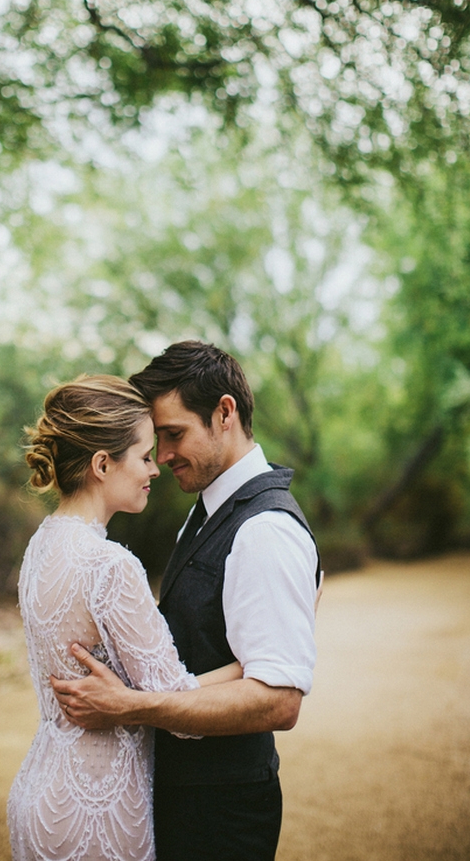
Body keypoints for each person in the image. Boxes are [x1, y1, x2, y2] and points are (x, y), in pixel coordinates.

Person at [51, 342, 321, 861]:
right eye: (157, 440)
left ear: (225, 413)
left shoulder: (265, 530)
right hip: (183, 801)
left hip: (221, 813)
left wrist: (133, 708)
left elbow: (279, 700)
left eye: (174, 434)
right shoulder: (208, 509)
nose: (164, 455)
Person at [7, 374, 242, 861]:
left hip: (39, 791)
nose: (154, 470)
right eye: (144, 456)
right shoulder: (109, 565)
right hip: (98, 805)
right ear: (101, 464)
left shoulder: (42, 545)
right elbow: (178, 709)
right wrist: (253, 660)